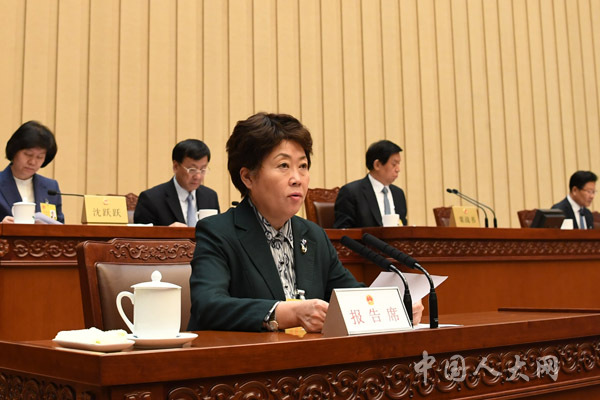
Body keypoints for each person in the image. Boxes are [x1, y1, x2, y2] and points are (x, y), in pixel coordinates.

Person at [187, 113, 423, 332]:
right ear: (248, 177)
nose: (297, 179)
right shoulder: (219, 232)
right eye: (283, 166)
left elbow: (348, 295)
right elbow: (208, 306)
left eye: (303, 166)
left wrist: (394, 305)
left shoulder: (313, 235)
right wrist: (288, 313)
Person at [134, 139, 220, 227]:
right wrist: (168, 232)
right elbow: (141, 235)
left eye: (203, 170)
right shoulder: (151, 199)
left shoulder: (210, 196)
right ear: (175, 166)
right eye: (192, 170)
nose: (198, 176)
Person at [333, 140, 407, 228]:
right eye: (394, 164)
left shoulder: (398, 194)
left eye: (398, 164)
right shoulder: (351, 193)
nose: (398, 169)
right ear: (377, 165)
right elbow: (344, 231)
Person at [0, 121, 64, 223]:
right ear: (14, 151)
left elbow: (60, 226)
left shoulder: (51, 188)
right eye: (28, 154)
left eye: (40, 157)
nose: (33, 162)